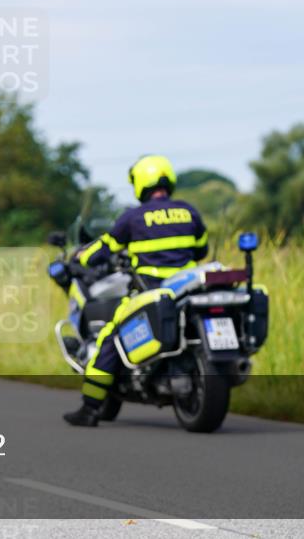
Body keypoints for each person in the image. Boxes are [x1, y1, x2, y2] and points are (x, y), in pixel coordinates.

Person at [63, 155, 208, 427]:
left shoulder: (133, 217)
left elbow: (105, 248)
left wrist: (79, 258)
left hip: (149, 291)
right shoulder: (189, 212)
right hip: (186, 289)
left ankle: (90, 408)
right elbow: (202, 250)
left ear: (141, 183)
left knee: (111, 338)